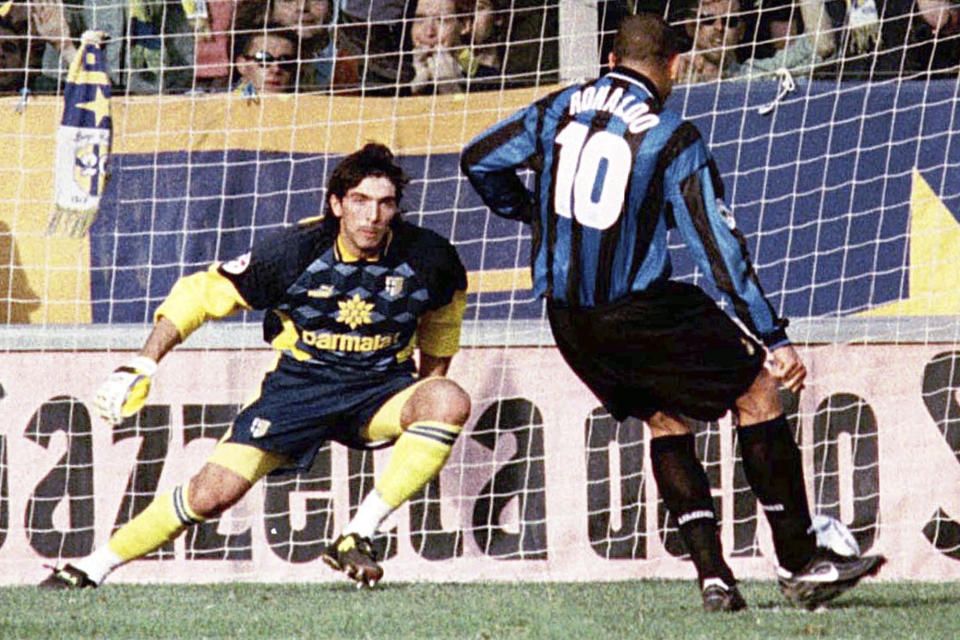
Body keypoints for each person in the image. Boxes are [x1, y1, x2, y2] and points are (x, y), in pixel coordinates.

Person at [460, 13, 885, 612]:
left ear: (610, 60)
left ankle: (715, 578)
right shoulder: (670, 133)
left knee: (666, 419)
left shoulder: (559, 106)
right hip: (639, 309)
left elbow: (479, 159)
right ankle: (800, 561)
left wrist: (532, 213)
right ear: (673, 66)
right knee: (759, 395)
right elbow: (719, 251)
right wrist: (772, 336)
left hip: (569, 319)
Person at [39, 143, 471, 590]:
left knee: (447, 398)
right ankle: (90, 568)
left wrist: (425, 400)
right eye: (360, 202)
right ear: (337, 204)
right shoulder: (293, 252)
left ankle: (358, 533)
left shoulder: (431, 258)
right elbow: (199, 296)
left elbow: (441, 330)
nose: (372, 216)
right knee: (210, 495)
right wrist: (143, 362)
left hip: (379, 392)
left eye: (385, 204)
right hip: (299, 389)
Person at [408, 0, 502, 95]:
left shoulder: (488, 80)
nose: (429, 32)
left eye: (441, 20)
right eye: (419, 20)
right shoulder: (395, 71)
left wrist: (450, 88)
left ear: (465, 25)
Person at [231, 25, 300, 94]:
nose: (276, 69)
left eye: (285, 61)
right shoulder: (223, 102)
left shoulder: (305, 102)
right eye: (264, 59)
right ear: (241, 65)